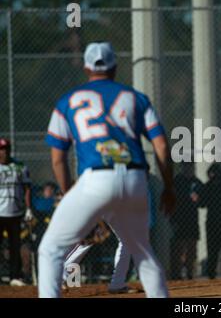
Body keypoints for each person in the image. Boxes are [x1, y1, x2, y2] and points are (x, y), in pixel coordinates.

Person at [39, 41, 175, 298]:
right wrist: (169, 187)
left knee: (50, 249)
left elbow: (58, 158)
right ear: (115, 67)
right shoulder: (135, 98)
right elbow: (162, 147)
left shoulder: (68, 100)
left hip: (96, 179)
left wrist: (69, 194)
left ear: (87, 67)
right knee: (143, 252)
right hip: (136, 177)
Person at [0, 137, 33, 287]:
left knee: (15, 246)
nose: (3, 152)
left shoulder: (19, 167)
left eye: (6, 149)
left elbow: (27, 188)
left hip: (15, 212)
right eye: (1, 149)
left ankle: (15, 276)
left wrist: (28, 209)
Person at [197, 163, 221, 280]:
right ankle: (211, 275)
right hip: (212, 223)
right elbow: (201, 204)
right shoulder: (207, 186)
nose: (213, 176)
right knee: (212, 250)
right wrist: (197, 198)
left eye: (215, 173)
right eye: (211, 174)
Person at [169, 162, 203, 280]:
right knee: (178, 246)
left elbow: (204, 202)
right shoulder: (176, 181)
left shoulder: (197, 182)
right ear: (182, 167)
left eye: (190, 166)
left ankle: (189, 272)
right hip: (178, 219)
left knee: (191, 246)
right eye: (186, 166)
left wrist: (199, 199)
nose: (188, 168)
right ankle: (176, 273)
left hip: (192, 220)